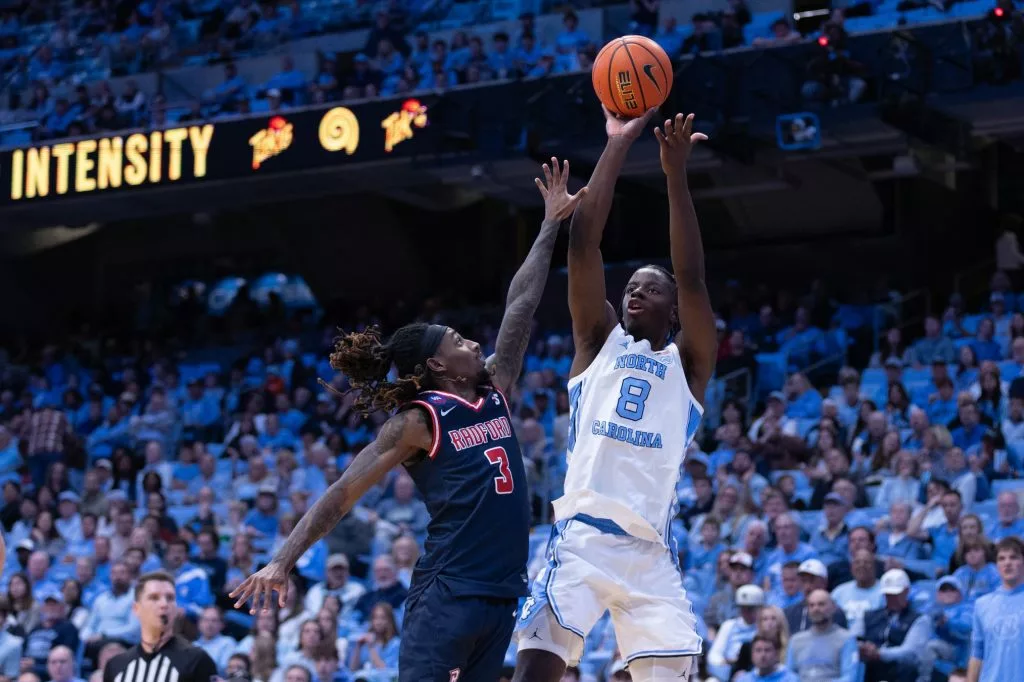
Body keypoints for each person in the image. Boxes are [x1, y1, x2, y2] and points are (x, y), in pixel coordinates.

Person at [230, 159, 586, 682]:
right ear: (437, 365)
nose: (473, 342)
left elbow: (520, 306)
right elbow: (343, 491)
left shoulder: (494, 388)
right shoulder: (419, 421)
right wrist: (283, 561)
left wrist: (550, 224)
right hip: (448, 594)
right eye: (458, 341)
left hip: (501, 594)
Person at [514, 108, 716, 682]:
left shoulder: (689, 366)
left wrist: (674, 173)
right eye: (631, 286)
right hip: (582, 537)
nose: (635, 293)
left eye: (651, 289)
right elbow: (583, 244)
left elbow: (692, 276)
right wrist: (618, 144)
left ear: (673, 312)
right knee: (535, 671)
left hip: (649, 552)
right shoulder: (596, 342)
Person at [103, 572, 218, 682]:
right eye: (154, 598)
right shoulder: (116, 665)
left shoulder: (197, 660)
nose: (164, 604)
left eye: (170, 598)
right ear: (136, 609)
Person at [967, 536, 1024, 682]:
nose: (1007, 563)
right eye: (1001, 558)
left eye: (1013, 557)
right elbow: (977, 653)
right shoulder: (982, 605)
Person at [860, 569, 933, 682]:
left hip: (901, 674)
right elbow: (852, 636)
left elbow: (909, 652)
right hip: (871, 671)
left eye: (895, 594)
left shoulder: (919, 619)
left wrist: (879, 653)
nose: (891, 598)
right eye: (888, 595)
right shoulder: (870, 615)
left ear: (906, 591)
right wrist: (862, 646)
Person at [786, 590, 859, 682]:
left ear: (833, 607)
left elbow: (850, 678)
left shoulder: (846, 639)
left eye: (821, 604)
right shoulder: (796, 640)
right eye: (811, 605)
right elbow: (789, 676)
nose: (816, 609)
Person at [734, 635, 799, 682]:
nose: (763, 655)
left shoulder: (791, 679)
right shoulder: (743, 680)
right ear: (752, 655)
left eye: (767, 650)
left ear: (776, 654)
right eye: (758, 650)